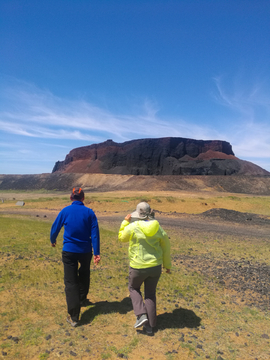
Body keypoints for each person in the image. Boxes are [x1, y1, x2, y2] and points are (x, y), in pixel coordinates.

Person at [118, 202, 171, 335]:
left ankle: (141, 315)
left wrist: (125, 223)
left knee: (133, 288)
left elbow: (121, 237)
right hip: (155, 267)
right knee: (150, 294)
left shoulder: (133, 226)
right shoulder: (158, 228)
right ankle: (150, 326)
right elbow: (166, 247)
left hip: (137, 266)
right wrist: (167, 265)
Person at [50, 187, 100, 327]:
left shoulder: (65, 211)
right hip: (85, 251)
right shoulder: (90, 212)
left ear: (71, 198)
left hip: (69, 251)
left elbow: (55, 227)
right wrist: (96, 252)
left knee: (71, 282)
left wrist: (53, 239)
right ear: (83, 198)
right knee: (84, 274)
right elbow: (95, 233)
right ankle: (82, 299)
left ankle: (74, 316)